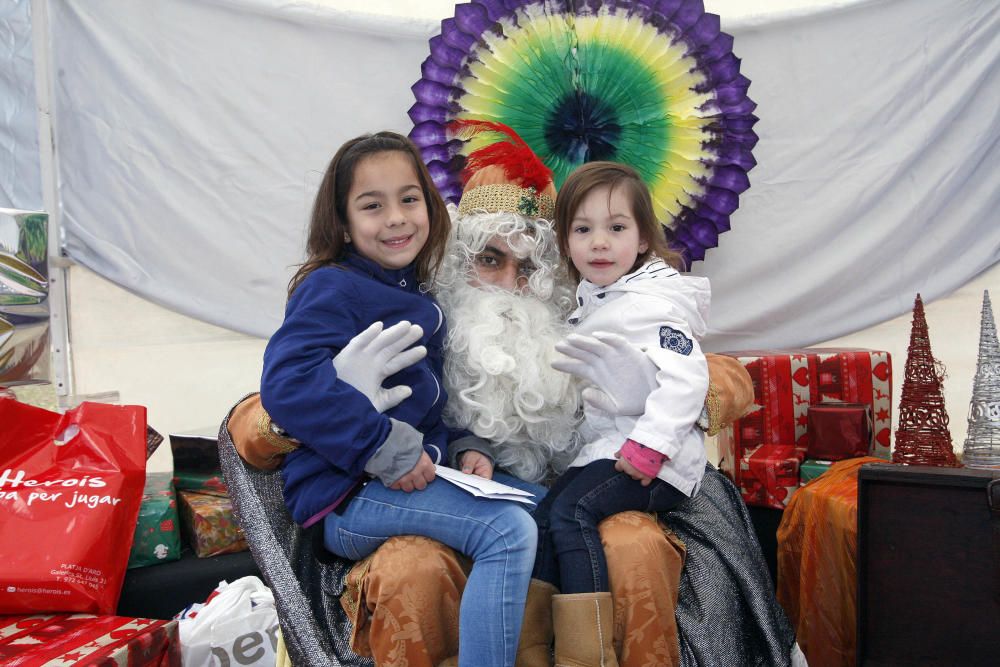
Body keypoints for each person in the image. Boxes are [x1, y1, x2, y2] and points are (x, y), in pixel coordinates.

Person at [224, 133, 794, 666]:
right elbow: (264, 411)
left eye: (530, 266)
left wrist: (662, 394)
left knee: (628, 547)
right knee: (420, 567)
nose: (509, 284)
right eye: (490, 260)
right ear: (457, 264)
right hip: (404, 492)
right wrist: (353, 408)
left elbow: (707, 369)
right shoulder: (424, 312)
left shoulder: (600, 310)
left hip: (588, 482)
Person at [258, 130, 543, 667]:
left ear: (431, 207)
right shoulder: (333, 287)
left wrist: (461, 446)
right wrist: (378, 442)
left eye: (409, 199)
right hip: (348, 494)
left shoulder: (411, 289)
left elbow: (423, 400)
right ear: (343, 222)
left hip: (412, 474)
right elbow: (286, 384)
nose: (396, 218)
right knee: (506, 531)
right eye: (373, 205)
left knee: (550, 510)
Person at [531, 161, 711, 666]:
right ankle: (530, 646)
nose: (600, 243)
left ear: (643, 239)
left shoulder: (650, 304)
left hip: (659, 461)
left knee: (572, 512)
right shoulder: (594, 301)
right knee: (544, 516)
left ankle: (587, 654)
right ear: (565, 242)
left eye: (616, 228)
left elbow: (688, 379)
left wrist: (650, 445)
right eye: (583, 230)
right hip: (610, 449)